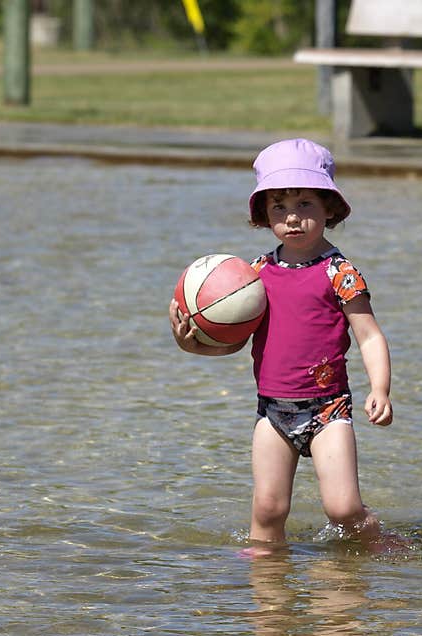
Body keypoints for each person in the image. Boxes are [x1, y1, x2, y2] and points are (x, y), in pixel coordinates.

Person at [169, 138, 394, 555]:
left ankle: (379, 542)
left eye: (306, 205)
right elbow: (235, 344)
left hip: (328, 409)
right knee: (268, 508)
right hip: (272, 410)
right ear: (263, 215)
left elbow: (369, 334)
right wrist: (193, 347)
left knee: (342, 508)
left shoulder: (339, 273)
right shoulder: (252, 278)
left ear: (330, 208)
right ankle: (269, 587)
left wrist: (379, 389)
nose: (293, 218)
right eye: (279, 208)